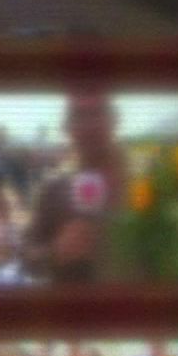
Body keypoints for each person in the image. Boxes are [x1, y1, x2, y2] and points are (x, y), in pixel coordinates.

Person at [23, 93, 126, 284]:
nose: (88, 126)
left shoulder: (146, 187)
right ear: (67, 127)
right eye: (79, 116)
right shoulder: (54, 190)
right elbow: (26, 260)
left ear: (114, 119)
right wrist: (54, 252)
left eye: (96, 113)